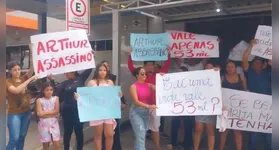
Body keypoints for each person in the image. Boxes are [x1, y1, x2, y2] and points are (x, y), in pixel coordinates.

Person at [50, 52, 95, 150]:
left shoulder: (81, 79)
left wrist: (91, 56)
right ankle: (66, 148)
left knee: (79, 131)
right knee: (67, 131)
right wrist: (51, 80)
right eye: (65, 73)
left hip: (79, 110)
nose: (65, 75)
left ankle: (79, 148)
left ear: (72, 72)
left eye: (66, 73)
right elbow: (55, 91)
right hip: (67, 110)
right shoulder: (64, 83)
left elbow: (89, 69)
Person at [128, 48, 171, 150]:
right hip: (142, 108)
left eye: (152, 64)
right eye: (148, 65)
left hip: (155, 106)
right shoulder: (138, 80)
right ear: (144, 67)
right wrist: (130, 55)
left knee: (154, 128)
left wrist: (168, 55)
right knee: (141, 133)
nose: (150, 66)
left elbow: (166, 67)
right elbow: (131, 67)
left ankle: (157, 147)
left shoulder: (158, 75)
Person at [76, 63, 119, 150]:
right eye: (100, 70)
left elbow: (114, 96)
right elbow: (86, 96)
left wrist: (118, 95)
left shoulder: (110, 82)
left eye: (104, 70)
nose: (102, 72)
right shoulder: (92, 83)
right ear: (97, 71)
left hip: (108, 111)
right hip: (96, 111)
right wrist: (79, 98)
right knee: (98, 134)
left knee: (109, 134)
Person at [242, 40, 272, 150]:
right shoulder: (249, 72)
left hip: (268, 108)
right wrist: (251, 46)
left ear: (264, 65)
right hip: (253, 107)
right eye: (255, 63)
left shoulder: (269, 74)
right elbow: (245, 59)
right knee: (253, 133)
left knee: (269, 134)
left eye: (259, 63)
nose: (257, 64)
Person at [6, 45, 36, 150]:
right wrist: (30, 80)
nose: (17, 71)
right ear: (10, 71)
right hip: (14, 113)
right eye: (14, 70)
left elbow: (32, 68)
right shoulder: (7, 82)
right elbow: (16, 90)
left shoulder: (23, 78)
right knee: (14, 138)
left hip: (26, 112)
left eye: (19, 69)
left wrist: (31, 52)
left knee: (22, 137)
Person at [220, 60, 247, 150]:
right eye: (228, 67)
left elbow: (245, 90)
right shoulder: (222, 78)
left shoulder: (241, 77)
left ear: (235, 68)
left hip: (238, 108)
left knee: (237, 131)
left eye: (232, 67)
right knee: (224, 130)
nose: (230, 69)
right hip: (225, 108)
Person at [193, 61, 219, 150]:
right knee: (198, 129)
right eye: (207, 68)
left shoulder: (217, 79)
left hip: (211, 107)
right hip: (200, 106)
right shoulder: (199, 79)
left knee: (210, 131)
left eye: (210, 68)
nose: (208, 69)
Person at [129, 67, 157, 150]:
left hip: (145, 113)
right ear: (137, 75)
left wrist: (162, 77)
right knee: (141, 135)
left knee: (141, 135)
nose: (144, 75)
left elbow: (160, 88)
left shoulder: (148, 85)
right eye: (142, 73)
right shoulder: (133, 86)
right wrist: (149, 106)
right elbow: (136, 101)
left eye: (145, 73)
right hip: (136, 113)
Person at [101, 61, 126, 150]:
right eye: (103, 67)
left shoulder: (112, 78)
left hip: (113, 110)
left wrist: (122, 101)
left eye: (107, 66)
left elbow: (117, 91)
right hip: (102, 111)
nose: (105, 68)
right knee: (104, 134)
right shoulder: (95, 80)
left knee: (115, 132)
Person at [36, 82, 60, 150]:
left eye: (51, 90)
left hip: (54, 123)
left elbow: (57, 111)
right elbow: (40, 114)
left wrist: (44, 113)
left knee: (57, 144)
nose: (49, 92)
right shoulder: (39, 100)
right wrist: (52, 113)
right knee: (46, 145)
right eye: (47, 90)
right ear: (43, 91)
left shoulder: (56, 98)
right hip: (44, 124)